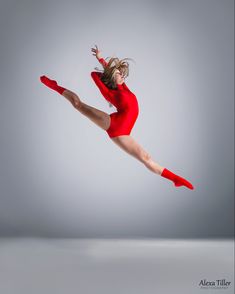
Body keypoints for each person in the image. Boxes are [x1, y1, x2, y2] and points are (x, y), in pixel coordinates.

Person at [40, 45, 194, 190]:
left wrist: (100, 59)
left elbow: (112, 72)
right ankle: (54, 85)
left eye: (120, 74)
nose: (121, 76)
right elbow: (94, 75)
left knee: (146, 157)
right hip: (115, 126)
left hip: (125, 130)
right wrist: (107, 75)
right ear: (112, 80)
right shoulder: (110, 93)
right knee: (78, 104)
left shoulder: (123, 87)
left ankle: (175, 179)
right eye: (117, 75)